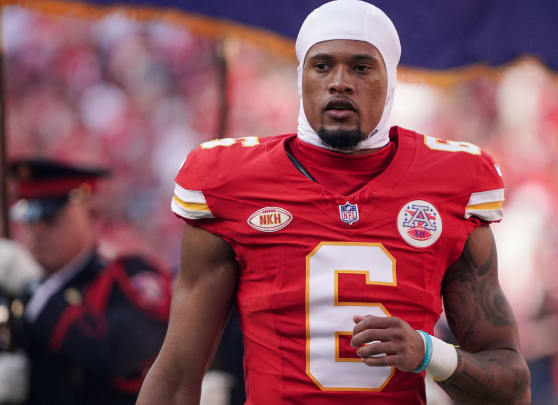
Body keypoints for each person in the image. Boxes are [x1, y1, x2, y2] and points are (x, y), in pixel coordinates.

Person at [138, 1, 530, 404]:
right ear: (301, 77)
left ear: (390, 79)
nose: (340, 82)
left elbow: (512, 388)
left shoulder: (452, 184)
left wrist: (432, 355)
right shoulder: (230, 181)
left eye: (361, 67)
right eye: (322, 65)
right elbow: (175, 377)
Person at [0, 158, 171, 405]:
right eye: (29, 219)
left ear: (90, 213)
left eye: (50, 218)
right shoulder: (9, 286)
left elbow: (120, 353)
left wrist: (34, 290)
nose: (36, 231)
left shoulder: (127, 279)